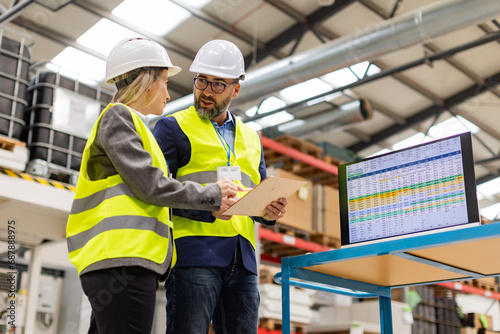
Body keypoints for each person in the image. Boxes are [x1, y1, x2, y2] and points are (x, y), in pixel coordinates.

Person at [66, 37, 243, 334]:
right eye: (163, 82)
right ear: (147, 82)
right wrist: (211, 194)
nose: (168, 94)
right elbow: (152, 186)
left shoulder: (133, 126)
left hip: (123, 261)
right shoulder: (118, 118)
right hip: (121, 261)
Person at [153, 39, 288, 334]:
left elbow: (256, 195)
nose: (205, 92)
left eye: (217, 85)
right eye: (201, 81)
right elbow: (158, 192)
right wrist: (208, 208)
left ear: (235, 89)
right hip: (194, 255)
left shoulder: (252, 138)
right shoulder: (172, 127)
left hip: (244, 261)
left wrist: (269, 211)